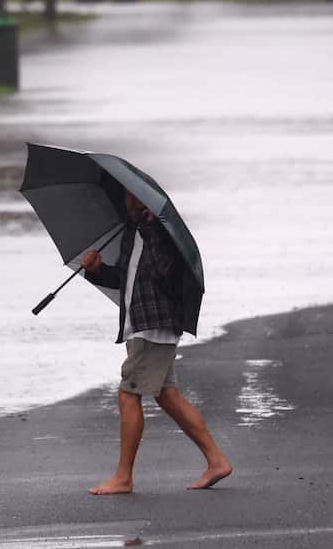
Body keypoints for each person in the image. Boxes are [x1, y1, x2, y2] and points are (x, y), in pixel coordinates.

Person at [79, 190, 232, 495]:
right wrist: (95, 272)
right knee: (167, 396)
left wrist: (150, 230)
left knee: (128, 395)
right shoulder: (131, 231)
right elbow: (127, 280)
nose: (123, 199)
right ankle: (217, 461)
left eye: (128, 195)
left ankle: (123, 477)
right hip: (140, 325)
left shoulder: (161, 232)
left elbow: (166, 273)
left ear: (141, 199)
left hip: (154, 327)